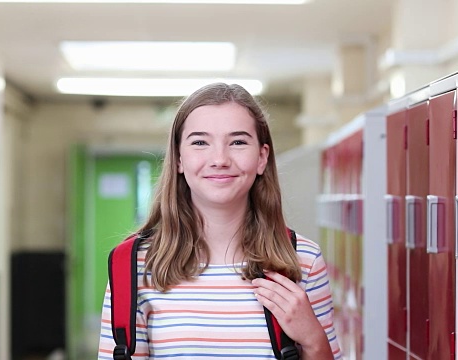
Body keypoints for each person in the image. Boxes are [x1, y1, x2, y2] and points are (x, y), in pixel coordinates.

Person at [98, 83, 342, 360]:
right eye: (200, 142)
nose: (219, 159)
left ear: (262, 157)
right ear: (179, 158)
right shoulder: (134, 265)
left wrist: (313, 340)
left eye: (238, 142)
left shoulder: (303, 260)